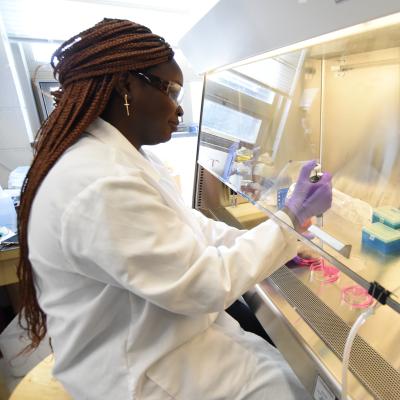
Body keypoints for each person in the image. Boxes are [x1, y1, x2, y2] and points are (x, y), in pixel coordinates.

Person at [17, 19, 332, 399]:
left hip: (158, 340)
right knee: (294, 388)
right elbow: (205, 285)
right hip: (141, 371)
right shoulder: (99, 183)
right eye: (171, 90)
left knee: (282, 369)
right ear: (125, 87)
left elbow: (191, 228)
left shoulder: (120, 158)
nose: (179, 110)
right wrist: (289, 221)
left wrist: (281, 240)